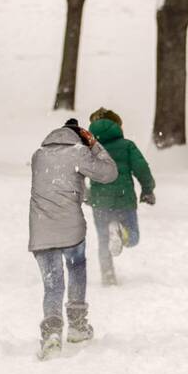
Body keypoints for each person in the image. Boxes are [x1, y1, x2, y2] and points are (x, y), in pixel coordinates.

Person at [29, 118, 117, 360]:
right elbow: (109, 173)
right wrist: (95, 145)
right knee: (76, 268)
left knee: (52, 283)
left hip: (41, 229)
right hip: (71, 229)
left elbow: (58, 184)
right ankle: (77, 326)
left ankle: (52, 334)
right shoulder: (79, 152)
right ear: (80, 137)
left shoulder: (39, 155)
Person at [87, 108, 155, 285]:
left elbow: (77, 173)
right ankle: (120, 232)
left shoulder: (90, 150)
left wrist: (85, 195)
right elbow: (142, 168)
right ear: (117, 125)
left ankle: (108, 276)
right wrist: (147, 189)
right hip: (124, 198)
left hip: (100, 201)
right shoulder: (127, 146)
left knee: (104, 240)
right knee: (132, 237)